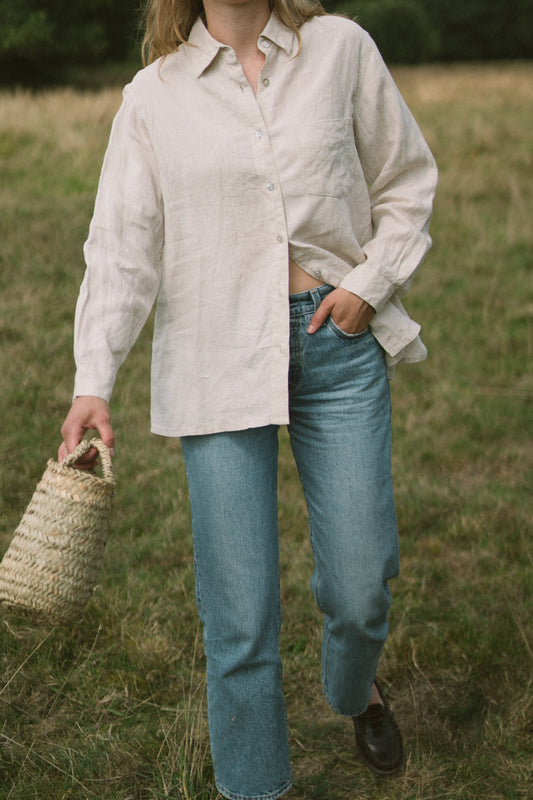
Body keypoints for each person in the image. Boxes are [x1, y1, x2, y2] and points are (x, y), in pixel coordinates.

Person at [59, 0, 438, 797]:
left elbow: (406, 178)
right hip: (216, 355)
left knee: (361, 586)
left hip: (335, 342)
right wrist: (93, 381)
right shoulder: (153, 97)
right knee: (238, 618)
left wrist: (368, 285)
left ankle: (352, 689)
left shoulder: (339, 49)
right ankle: (255, 786)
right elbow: (121, 249)